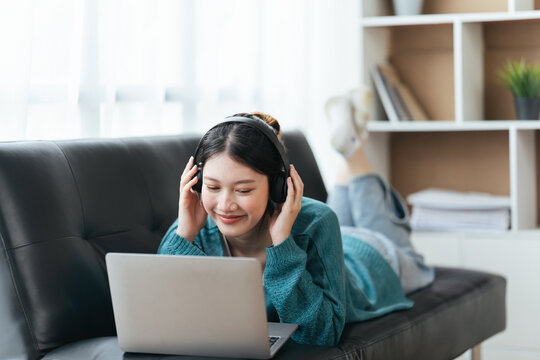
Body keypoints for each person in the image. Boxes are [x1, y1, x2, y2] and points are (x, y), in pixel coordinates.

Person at [157, 94, 434, 347]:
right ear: (196, 183)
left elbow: (321, 333)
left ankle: (354, 152)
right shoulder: (195, 222)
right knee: (337, 220)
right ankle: (349, 148)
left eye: (243, 190)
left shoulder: (318, 221)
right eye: (213, 187)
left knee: (414, 261)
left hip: (370, 258)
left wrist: (281, 246)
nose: (225, 205)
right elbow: (160, 312)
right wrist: (184, 235)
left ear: (280, 187)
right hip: (332, 241)